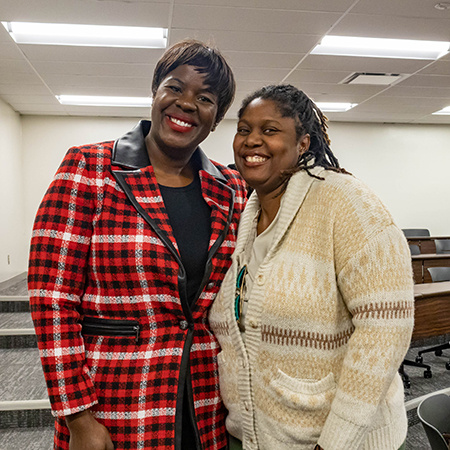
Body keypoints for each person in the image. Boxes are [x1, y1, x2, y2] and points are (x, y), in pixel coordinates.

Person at [28, 39, 246, 450]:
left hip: (205, 403)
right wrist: (77, 415)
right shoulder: (89, 168)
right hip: (115, 403)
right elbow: (50, 298)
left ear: (215, 119)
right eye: (174, 87)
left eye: (205, 98)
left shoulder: (230, 188)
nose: (186, 103)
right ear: (155, 93)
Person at [209, 84, 414, 450]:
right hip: (255, 436)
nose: (252, 140)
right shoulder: (244, 214)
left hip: (335, 442)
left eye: (269, 130)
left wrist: (335, 443)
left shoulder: (345, 201)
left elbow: (385, 330)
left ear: (303, 143)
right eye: (244, 129)